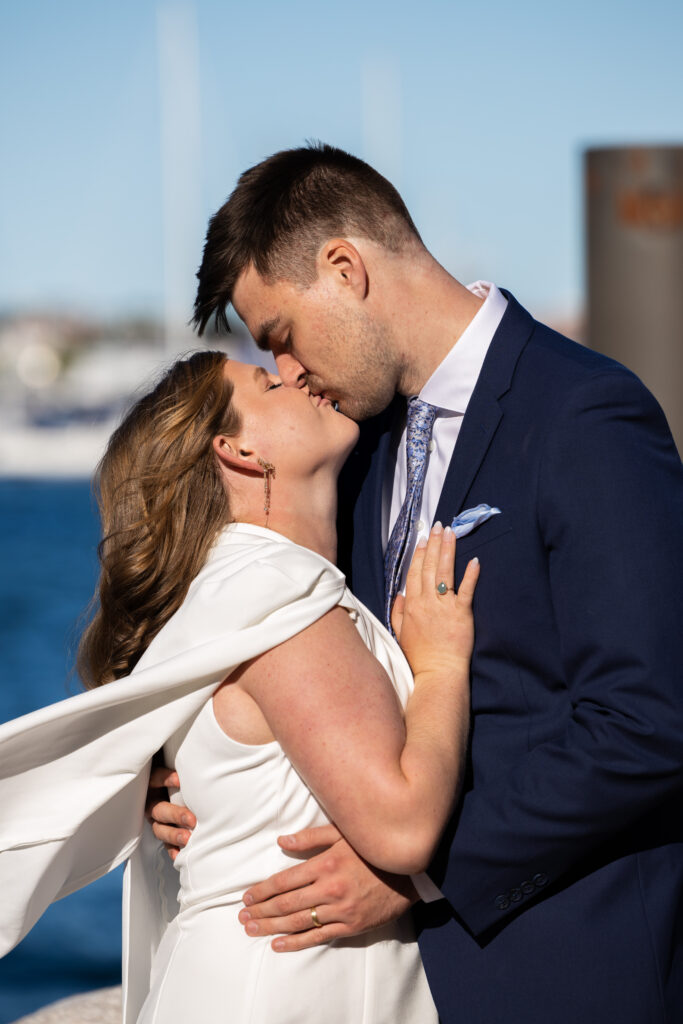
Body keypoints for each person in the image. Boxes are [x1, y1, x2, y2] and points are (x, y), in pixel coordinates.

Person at [150, 143, 683, 1023]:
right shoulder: (353, 446)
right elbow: (321, 664)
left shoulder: (583, 412)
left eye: (280, 335)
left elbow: (650, 719)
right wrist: (186, 781)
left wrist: (421, 872)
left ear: (345, 268)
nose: (285, 373)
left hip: (567, 974)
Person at [0, 350, 481, 1024]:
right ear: (238, 449)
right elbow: (401, 828)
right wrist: (439, 667)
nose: (297, 375)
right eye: (267, 383)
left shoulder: (231, 594)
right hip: (285, 985)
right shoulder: (274, 594)